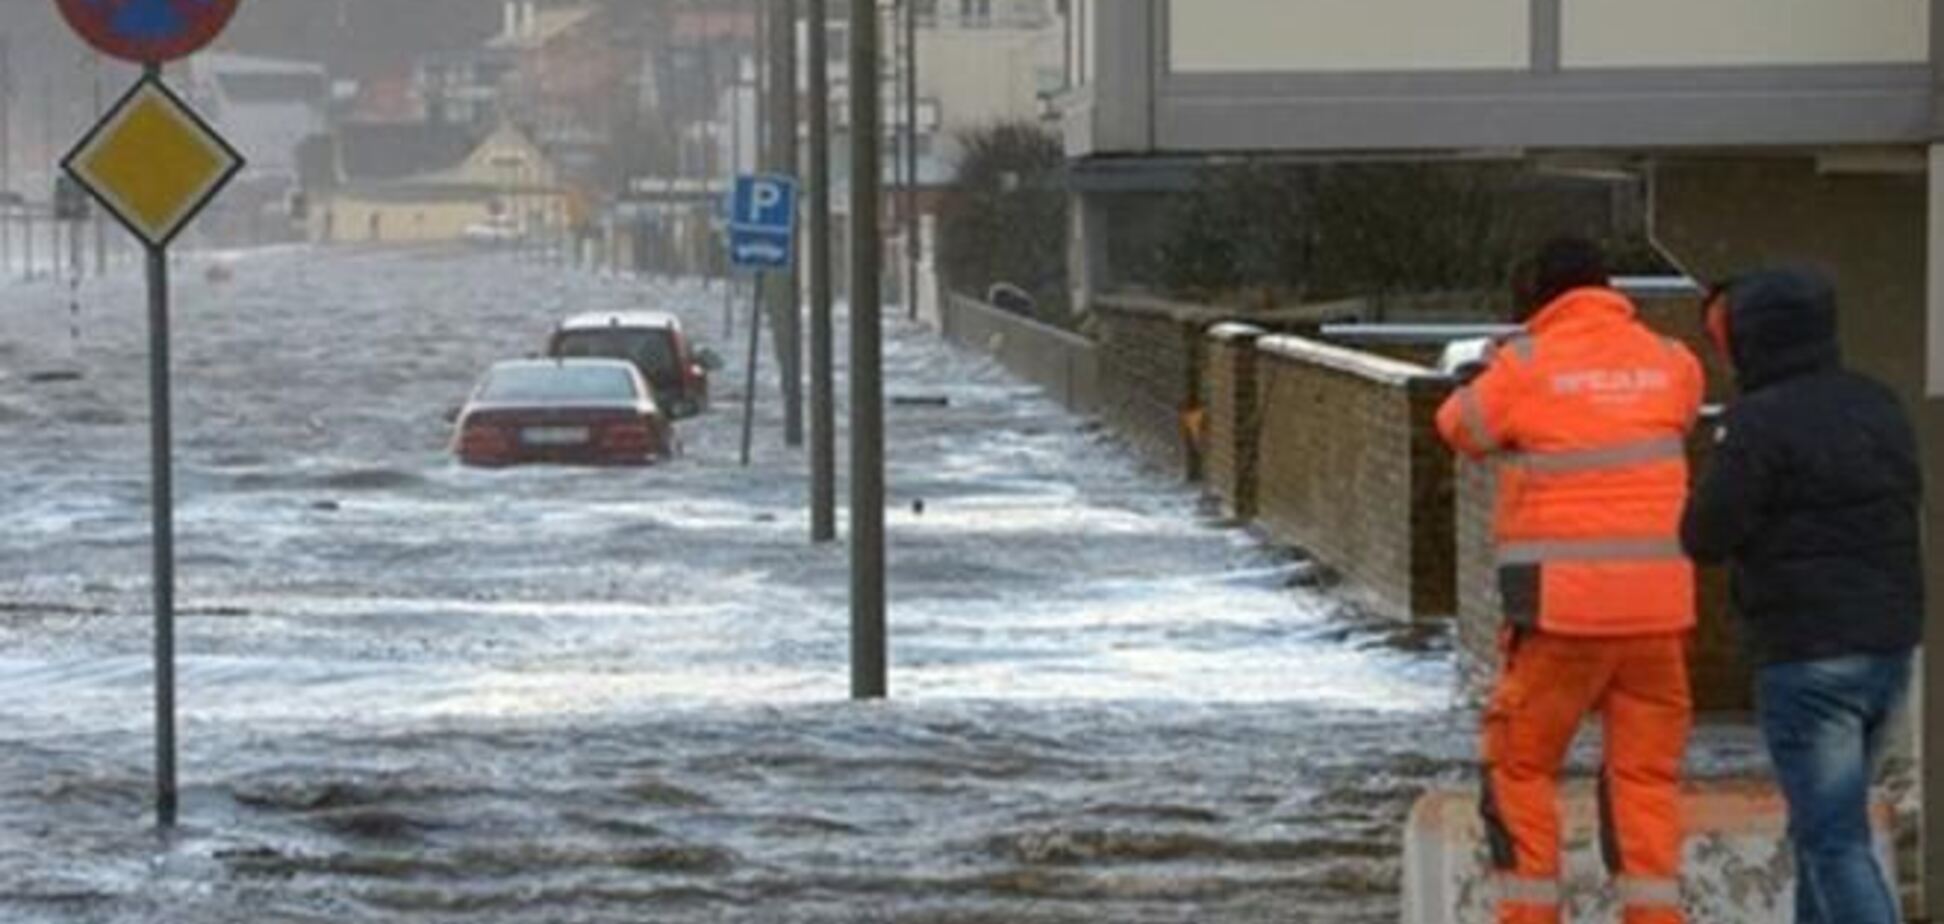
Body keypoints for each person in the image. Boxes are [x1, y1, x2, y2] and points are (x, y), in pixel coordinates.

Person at [1437, 237, 1706, 924]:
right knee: (1644, 780)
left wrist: (1483, 371)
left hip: (1564, 615)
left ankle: (1531, 916)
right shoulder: (1671, 361)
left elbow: (1460, 427)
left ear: (1535, 295)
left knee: (1520, 768)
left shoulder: (1524, 364)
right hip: (1658, 618)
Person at [1681, 268, 1921, 924]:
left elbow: (1704, 535)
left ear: (1753, 339)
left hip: (1807, 655)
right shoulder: (1878, 403)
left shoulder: (1757, 423)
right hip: (1888, 648)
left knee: (1833, 841)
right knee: (1821, 829)